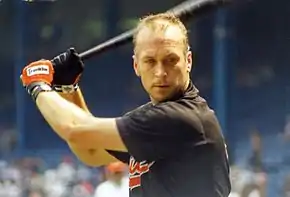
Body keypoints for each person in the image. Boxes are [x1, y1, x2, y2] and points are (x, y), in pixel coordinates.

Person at [20, 12, 231, 197]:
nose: (160, 72)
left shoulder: (181, 118)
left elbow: (74, 130)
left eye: (171, 60)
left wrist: (38, 85)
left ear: (189, 61)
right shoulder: (154, 118)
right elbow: (91, 151)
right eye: (150, 61)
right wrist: (68, 88)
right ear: (136, 65)